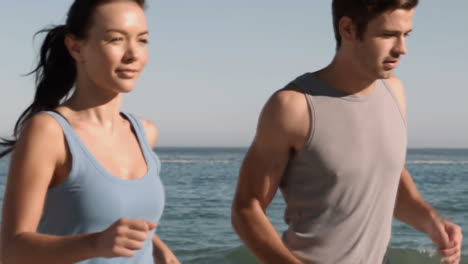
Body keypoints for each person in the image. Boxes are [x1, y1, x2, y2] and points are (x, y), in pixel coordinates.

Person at [231, 0, 463, 263]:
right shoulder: (293, 107)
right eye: (388, 35)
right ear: (348, 29)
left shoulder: (394, 92)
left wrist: (432, 222)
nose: (402, 49)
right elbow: (246, 207)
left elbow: (384, 177)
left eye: (405, 35)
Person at [0, 0, 179, 263]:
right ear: (76, 47)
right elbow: (10, 250)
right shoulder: (49, 132)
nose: (133, 54)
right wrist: (94, 243)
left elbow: (125, 225)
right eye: (116, 39)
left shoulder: (145, 132)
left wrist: (159, 250)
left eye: (142, 40)